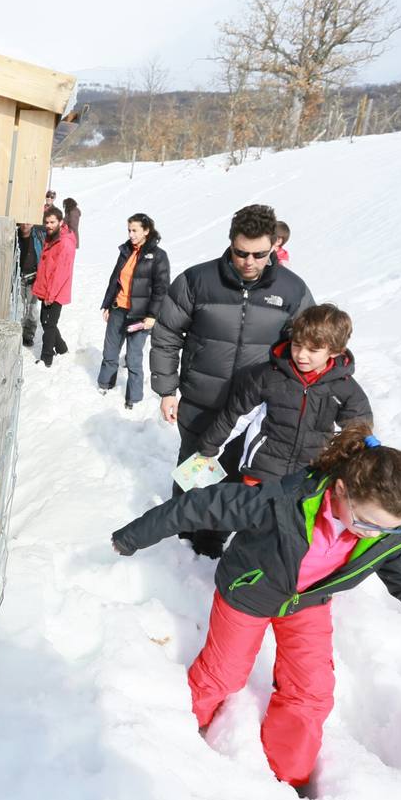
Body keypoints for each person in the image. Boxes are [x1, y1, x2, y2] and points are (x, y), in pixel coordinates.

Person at [111, 423, 401, 793]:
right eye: (368, 523)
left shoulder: (386, 538)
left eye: (391, 529)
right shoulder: (280, 503)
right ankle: (181, 738)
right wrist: (130, 538)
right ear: (341, 491)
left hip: (307, 602)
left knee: (312, 691)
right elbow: (199, 506)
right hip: (250, 593)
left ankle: (287, 777)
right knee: (224, 674)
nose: (375, 535)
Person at [151, 203, 313, 558]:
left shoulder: (292, 291)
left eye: (259, 254)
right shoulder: (196, 281)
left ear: (274, 246)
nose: (249, 261)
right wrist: (167, 390)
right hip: (200, 399)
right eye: (241, 253)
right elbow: (166, 334)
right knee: (195, 464)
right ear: (230, 243)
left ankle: (212, 538)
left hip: (252, 411)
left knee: (235, 473)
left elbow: (306, 347)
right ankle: (183, 529)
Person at [196, 303, 371, 484]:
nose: (301, 355)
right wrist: (209, 448)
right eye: (297, 345)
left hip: (310, 473)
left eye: (313, 350)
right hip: (262, 470)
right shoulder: (268, 376)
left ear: (335, 351)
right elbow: (236, 416)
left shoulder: (345, 388)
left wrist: (361, 463)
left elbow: (357, 431)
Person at [97, 213, 170, 409]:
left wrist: (152, 316)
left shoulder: (158, 256)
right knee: (110, 350)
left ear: (146, 231)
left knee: (134, 357)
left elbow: (161, 289)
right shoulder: (126, 251)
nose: (131, 234)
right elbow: (115, 279)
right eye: (129, 230)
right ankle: (105, 384)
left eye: (135, 230)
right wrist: (107, 304)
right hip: (118, 309)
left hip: (140, 316)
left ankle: (134, 398)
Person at [32, 206, 76, 367]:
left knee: (49, 324)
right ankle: (62, 348)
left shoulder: (64, 242)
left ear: (60, 222)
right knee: (45, 322)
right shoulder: (52, 237)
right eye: (47, 222)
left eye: (52, 222)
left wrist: (51, 295)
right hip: (47, 288)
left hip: (56, 291)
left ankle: (46, 358)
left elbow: (60, 273)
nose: (49, 225)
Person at [16, 222, 44, 347]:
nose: (25, 225)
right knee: (20, 306)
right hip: (18, 277)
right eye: (23, 222)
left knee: (32, 308)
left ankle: (29, 334)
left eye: (28, 222)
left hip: (34, 277)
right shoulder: (15, 235)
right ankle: (19, 332)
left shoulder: (38, 235)